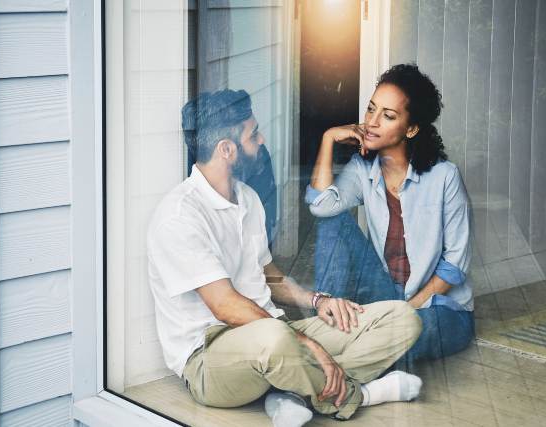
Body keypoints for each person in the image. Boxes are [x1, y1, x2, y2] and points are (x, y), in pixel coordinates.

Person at [147, 89, 423, 424]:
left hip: (275, 330)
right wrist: (308, 344)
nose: (262, 140)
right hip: (210, 358)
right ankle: (360, 395)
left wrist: (318, 300)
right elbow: (226, 307)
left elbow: (269, 276)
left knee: (401, 319)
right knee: (278, 339)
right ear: (227, 150)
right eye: (253, 134)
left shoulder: (246, 198)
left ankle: (289, 389)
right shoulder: (180, 217)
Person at [307, 64, 474, 369]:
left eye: (388, 116)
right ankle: (328, 316)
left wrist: (405, 311)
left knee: (408, 335)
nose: (371, 122)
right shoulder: (363, 169)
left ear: (411, 129)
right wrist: (329, 138)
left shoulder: (444, 177)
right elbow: (321, 206)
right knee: (333, 221)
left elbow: (454, 266)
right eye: (371, 109)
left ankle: (327, 363)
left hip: (437, 309)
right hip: (384, 293)